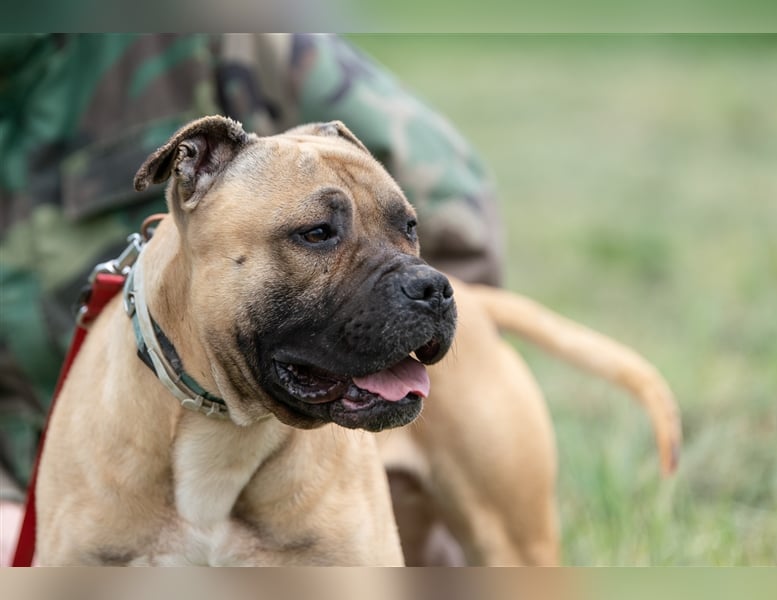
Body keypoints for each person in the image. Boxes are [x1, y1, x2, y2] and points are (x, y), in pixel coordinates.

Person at [0, 33, 504, 563]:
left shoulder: (197, 33)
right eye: (318, 235)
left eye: (406, 229)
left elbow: (446, 179)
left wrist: (447, 339)